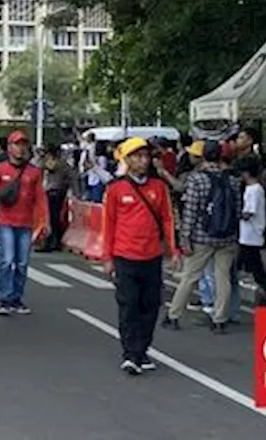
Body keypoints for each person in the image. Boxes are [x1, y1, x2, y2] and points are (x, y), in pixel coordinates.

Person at [101, 138, 175, 375]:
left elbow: (167, 220)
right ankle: (130, 353)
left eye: (146, 156)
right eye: (138, 156)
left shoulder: (158, 187)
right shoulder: (115, 189)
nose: (143, 161)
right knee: (129, 305)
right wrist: (107, 257)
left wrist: (173, 250)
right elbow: (108, 223)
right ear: (128, 160)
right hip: (125, 256)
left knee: (150, 306)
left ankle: (142, 350)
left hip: (152, 256)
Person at [163, 140, 241, 334]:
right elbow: (237, 210)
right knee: (223, 277)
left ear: (203, 155)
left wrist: (184, 238)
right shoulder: (232, 180)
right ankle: (220, 318)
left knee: (190, 277)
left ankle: (174, 315)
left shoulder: (196, 179)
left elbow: (190, 211)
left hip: (201, 236)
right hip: (227, 237)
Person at [0, 130, 48, 315]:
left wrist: (45, 220)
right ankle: (5, 298)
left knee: (22, 262)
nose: (20, 149)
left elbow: (40, 198)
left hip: (26, 223)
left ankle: (17, 298)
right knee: (7, 260)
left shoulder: (34, 172)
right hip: (6, 221)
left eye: (23, 145)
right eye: (16, 144)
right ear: (9, 147)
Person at [236, 154, 266, 307]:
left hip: (250, 236)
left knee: (257, 272)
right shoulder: (255, 189)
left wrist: (234, 215)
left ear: (246, 172)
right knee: (252, 270)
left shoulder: (254, 190)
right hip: (248, 236)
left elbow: (249, 213)